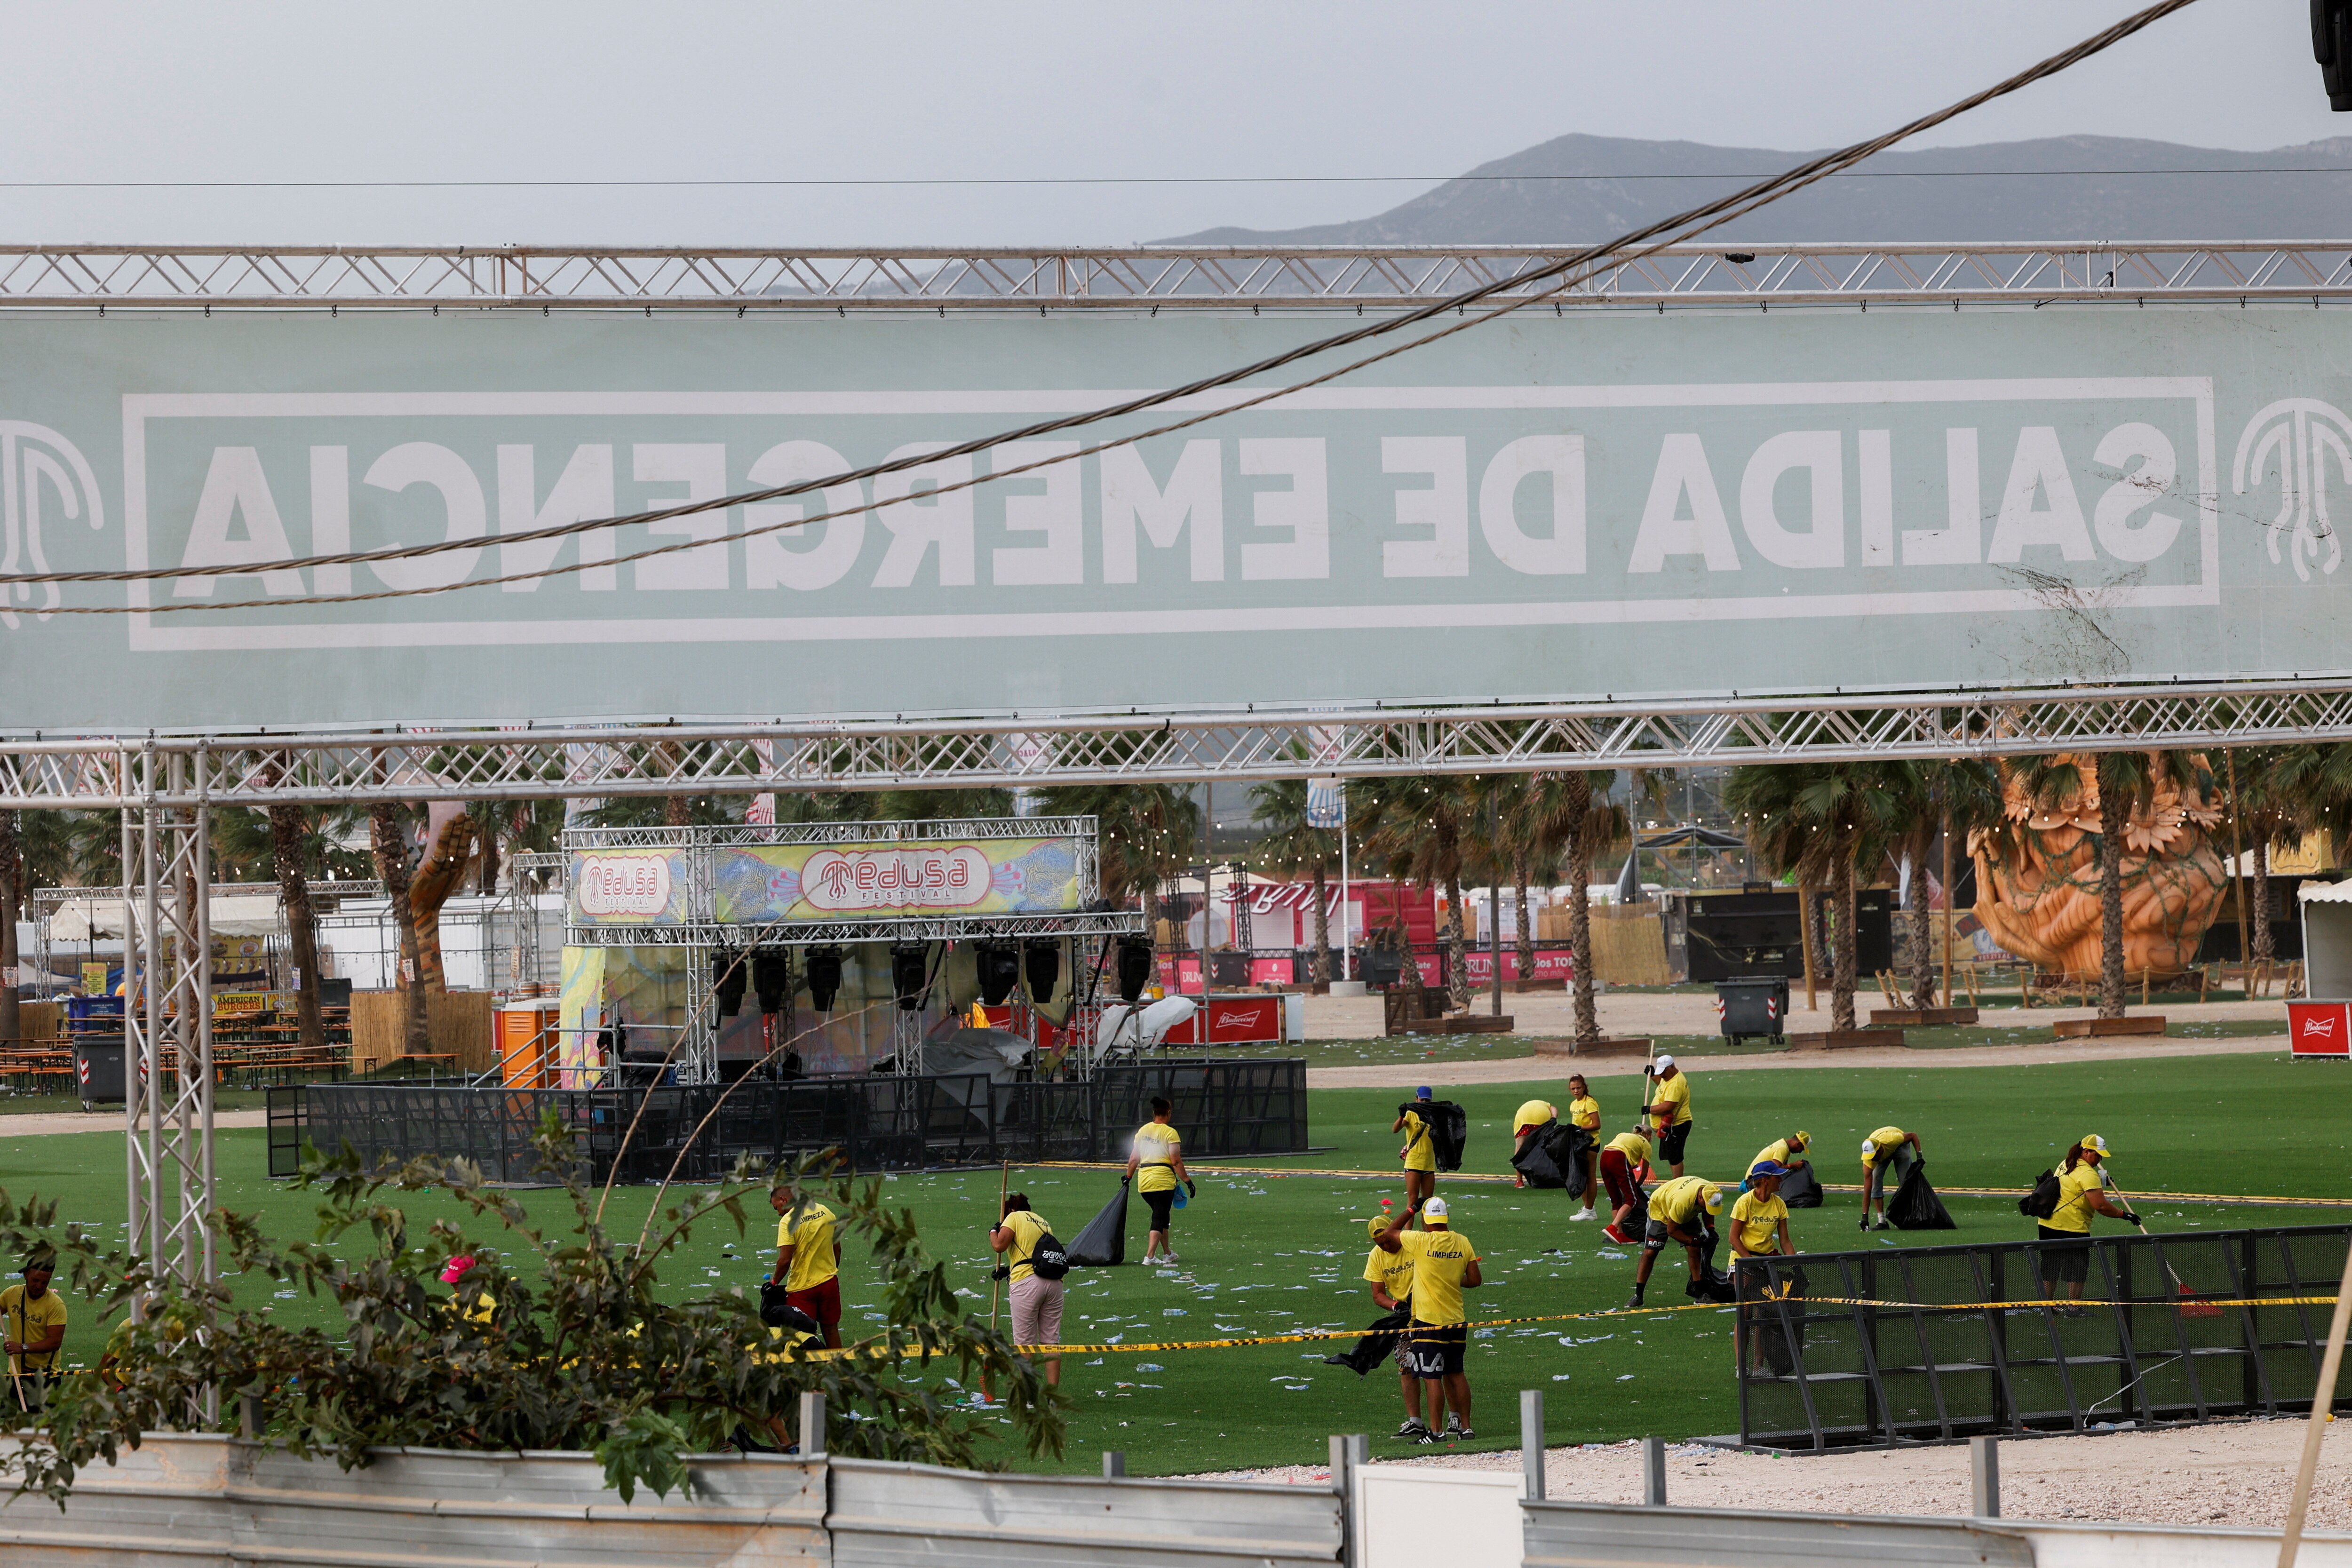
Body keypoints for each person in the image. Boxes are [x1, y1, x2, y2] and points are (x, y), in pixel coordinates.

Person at [1374, 1196, 1481, 1444]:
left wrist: (1412, 1208)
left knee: (1432, 1376)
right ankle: (1466, 1428)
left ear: (1425, 1219)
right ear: (1446, 1219)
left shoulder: (1420, 1241)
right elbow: (1475, 1280)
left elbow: (1389, 1233)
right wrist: (1452, 1279)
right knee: (1457, 1374)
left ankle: (1436, 1432)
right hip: (1457, 1320)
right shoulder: (1463, 1242)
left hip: (1429, 1322)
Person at [2038, 1134, 2136, 1311]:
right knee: (2076, 1269)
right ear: (2086, 1151)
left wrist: (2102, 1181)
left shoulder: (2066, 1163)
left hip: (2047, 1224)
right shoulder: (2088, 1174)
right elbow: (2100, 1206)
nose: (2099, 1159)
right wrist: (2125, 1215)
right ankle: (2074, 1309)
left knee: (2050, 1266)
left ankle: (2047, 1306)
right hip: (2072, 1227)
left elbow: (2074, 1185)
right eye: (2097, 1155)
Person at [1357, 1214, 1426, 1440]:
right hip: (1405, 1317)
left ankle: (1451, 1421)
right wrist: (1397, 1306)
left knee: (1436, 1367)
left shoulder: (1412, 1243)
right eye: (1381, 1244)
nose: (1386, 1247)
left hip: (1430, 1311)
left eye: (1388, 1241)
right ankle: (1415, 1422)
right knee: (1406, 1366)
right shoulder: (1377, 1257)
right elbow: (1378, 1295)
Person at [990, 1193, 1063, 1386]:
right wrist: (1008, 1269)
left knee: (1025, 1344)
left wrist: (993, 1230)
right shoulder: (1043, 1222)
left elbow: (999, 1246)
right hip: (1054, 1284)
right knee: (1051, 1342)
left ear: (1011, 1210)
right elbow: (1036, 1254)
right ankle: (1053, 1395)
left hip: (1027, 1284)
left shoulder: (1014, 1218)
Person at [1729, 1162, 1794, 1371]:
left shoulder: (1779, 1204)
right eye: (1777, 1177)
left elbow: (1785, 1240)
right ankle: (1742, 1367)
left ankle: (1758, 1367)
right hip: (1743, 1261)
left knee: (1764, 1314)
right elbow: (1733, 1238)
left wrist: (1795, 1264)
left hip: (1767, 1262)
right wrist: (1749, 1260)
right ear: (1765, 1180)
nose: (1781, 1180)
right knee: (1745, 1313)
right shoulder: (1745, 1202)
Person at [1626, 1174, 1724, 1310]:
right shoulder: (1682, 1202)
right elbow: (1671, 1231)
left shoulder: (1713, 1192)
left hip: (1687, 1212)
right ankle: (1638, 1295)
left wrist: (1711, 1230)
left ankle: (1700, 1294)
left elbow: (1708, 1211)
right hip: (1661, 1209)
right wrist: (1693, 1241)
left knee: (1695, 1252)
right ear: (1701, 1198)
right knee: (1650, 1253)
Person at [771, 1180, 843, 1349]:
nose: (778, 1213)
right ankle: (840, 1371)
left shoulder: (788, 1221)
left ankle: (810, 1373)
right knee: (832, 1330)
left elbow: (785, 1260)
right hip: (828, 1282)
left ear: (784, 1200)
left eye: (777, 1208)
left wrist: (774, 1283)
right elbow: (837, 1250)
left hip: (802, 1288)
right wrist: (831, 1270)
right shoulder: (825, 1211)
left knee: (802, 1336)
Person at [1123, 1095, 1193, 1265]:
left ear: (1154, 1113)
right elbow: (1176, 1161)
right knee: (1159, 1217)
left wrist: (1128, 1176)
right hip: (1163, 1181)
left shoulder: (1143, 1131)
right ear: (1168, 1113)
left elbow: (1134, 1158)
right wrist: (1188, 1181)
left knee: (1162, 1216)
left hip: (1145, 1182)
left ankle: (1167, 1253)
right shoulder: (1170, 1133)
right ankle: (1150, 1256)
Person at [3, 1254, 68, 1413]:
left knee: (44, 1427)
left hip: (45, 1377)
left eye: (45, 1282)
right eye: (35, 1280)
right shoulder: (11, 1295)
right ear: (26, 1275)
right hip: (16, 1374)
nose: (39, 1286)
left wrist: (22, 1347)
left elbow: (54, 1342)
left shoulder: (55, 1305)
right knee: (14, 1424)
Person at [1859, 1126, 1923, 1231]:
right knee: (1875, 1184)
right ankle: (1882, 1222)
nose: (1873, 1159)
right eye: (1870, 1157)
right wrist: (1865, 1217)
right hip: (1884, 1151)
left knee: (1906, 1182)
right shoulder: (1870, 1160)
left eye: (1874, 1156)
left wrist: (1920, 1157)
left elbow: (1913, 1136)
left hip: (1899, 1147)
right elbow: (1867, 1189)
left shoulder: (1893, 1139)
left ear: (1879, 1149)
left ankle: (1909, 1217)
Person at [1597, 1126, 1654, 1244]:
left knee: (1616, 1199)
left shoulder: (1623, 1134)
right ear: (1648, 1136)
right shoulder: (1647, 1145)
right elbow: (1644, 1172)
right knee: (1632, 1199)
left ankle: (1619, 1234)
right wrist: (1637, 1186)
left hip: (1604, 1157)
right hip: (1619, 1157)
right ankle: (1613, 1228)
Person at [1392, 1087, 1440, 1212]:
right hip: (1414, 1161)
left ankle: (1428, 1232)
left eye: (1427, 1100)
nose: (1424, 1102)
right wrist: (1401, 1116)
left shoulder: (1434, 1115)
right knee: (1413, 1200)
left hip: (1428, 1163)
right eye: (1422, 1099)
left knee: (1428, 1203)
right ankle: (1407, 1232)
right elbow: (1395, 1130)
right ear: (1416, 1099)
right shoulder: (1411, 1114)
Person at [1646, 1054, 1693, 1176]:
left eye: (1663, 1072)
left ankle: (1677, 1184)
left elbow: (1668, 1107)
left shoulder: (1676, 1084)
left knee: (1675, 1157)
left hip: (1677, 1125)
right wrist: (1652, 1076)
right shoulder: (1668, 1078)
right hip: (1670, 1126)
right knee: (1671, 1156)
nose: (1662, 1076)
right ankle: (1676, 1182)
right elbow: (1662, 1087)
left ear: (1672, 1067)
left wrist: (1650, 1109)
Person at [1566, 1075, 1603, 1220]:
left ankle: (1589, 1210)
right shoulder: (1574, 1104)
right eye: (1573, 1089)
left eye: (1578, 1088)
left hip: (1591, 1143)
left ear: (1584, 1087)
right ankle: (1589, 1209)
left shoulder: (1590, 1103)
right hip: (1579, 1144)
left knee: (1589, 1176)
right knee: (1580, 1176)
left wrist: (1579, 1129)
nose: (1576, 1091)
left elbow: (1597, 1124)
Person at [1510, 1096, 1559, 1189]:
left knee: (1520, 1148)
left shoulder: (1525, 1107)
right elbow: (1554, 1109)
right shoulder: (1547, 1105)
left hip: (1522, 1119)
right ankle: (1546, 1176)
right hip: (1541, 1117)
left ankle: (1519, 1181)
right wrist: (1554, 1118)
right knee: (1545, 1147)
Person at [439, 1255, 497, 1325]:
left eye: (457, 1281)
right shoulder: (449, 1304)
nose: (452, 1284)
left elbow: (495, 1334)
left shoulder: (488, 1305)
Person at [1747, 1131, 1812, 1192]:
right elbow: (1776, 1168)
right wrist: (1793, 1165)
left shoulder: (1783, 1145)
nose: (1800, 1152)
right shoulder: (1782, 1148)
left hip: (1755, 1179)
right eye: (1802, 1149)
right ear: (1798, 1144)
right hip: (1755, 1181)